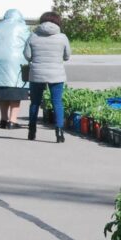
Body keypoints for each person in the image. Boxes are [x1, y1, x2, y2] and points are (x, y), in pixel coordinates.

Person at [24, 12, 72, 143]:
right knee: (57, 102)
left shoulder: (33, 36)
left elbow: (27, 55)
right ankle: (59, 133)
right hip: (56, 74)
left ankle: (32, 131)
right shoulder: (62, 37)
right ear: (57, 22)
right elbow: (67, 56)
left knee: (34, 102)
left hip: (37, 74)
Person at [0, 9, 31, 129]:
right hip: (16, 61)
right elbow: (29, 44)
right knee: (16, 89)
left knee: (2, 89)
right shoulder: (23, 27)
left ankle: (4, 119)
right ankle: (12, 121)